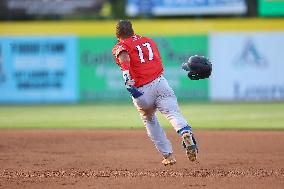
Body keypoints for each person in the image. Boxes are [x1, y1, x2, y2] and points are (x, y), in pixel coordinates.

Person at [112, 20, 198, 166]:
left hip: (141, 91)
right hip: (160, 82)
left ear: (118, 34)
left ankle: (168, 155)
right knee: (173, 113)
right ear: (132, 30)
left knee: (149, 119)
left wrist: (127, 78)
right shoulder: (148, 41)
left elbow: (123, 55)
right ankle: (184, 131)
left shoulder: (120, 45)